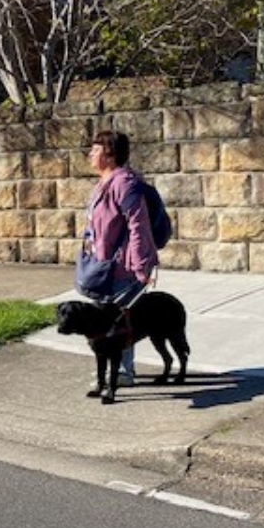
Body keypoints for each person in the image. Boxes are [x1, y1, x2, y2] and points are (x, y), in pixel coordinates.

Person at [81, 130, 159, 384]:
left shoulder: (125, 183)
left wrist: (141, 266)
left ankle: (123, 372)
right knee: (109, 319)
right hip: (104, 265)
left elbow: (139, 226)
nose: (90, 154)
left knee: (121, 320)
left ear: (110, 154)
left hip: (124, 267)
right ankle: (118, 369)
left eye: (95, 150)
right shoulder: (102, 184)